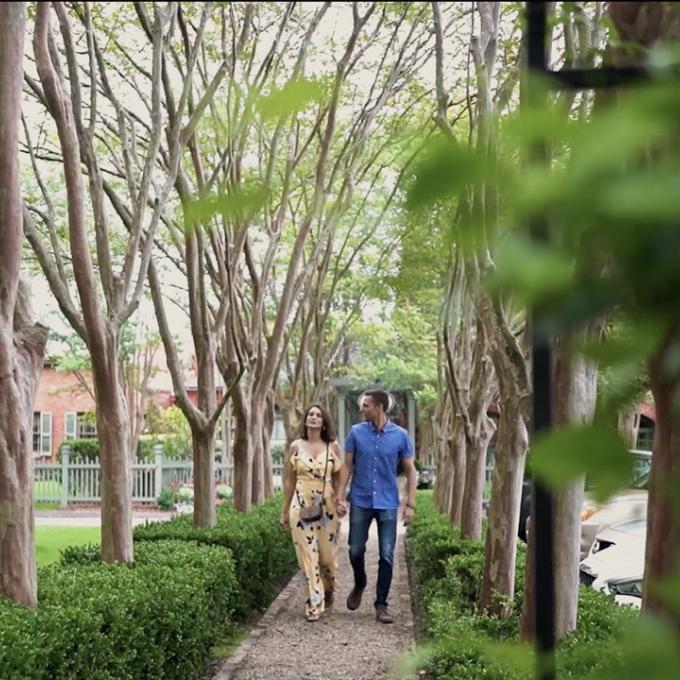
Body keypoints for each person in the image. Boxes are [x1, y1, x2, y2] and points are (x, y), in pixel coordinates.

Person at [336, 388, 417, 624]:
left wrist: (410, 504)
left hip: (388, 502)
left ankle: (381, 604)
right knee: (355, 550)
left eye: (366, 406)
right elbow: (347, 467)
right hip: (360, 499)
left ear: (379, 407)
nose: (362, 409)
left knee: (387, 554)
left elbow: (411, 470)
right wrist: (340, 498)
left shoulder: (400, 435)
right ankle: (360, 582)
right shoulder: (355, 433)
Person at [280, 403, 343, 622]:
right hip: (300, 503)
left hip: (327, 505)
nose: (314, 417)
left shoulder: (332, 447)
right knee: (307, 556)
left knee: (327, 558)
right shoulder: (295, 446)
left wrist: (341, 500)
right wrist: (284, 511)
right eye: (310, 414)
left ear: (324, 421)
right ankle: (313, 604)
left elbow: (339, 477)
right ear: (306, 420)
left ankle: (328, 587)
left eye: (318, 415)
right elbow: (289, 481)